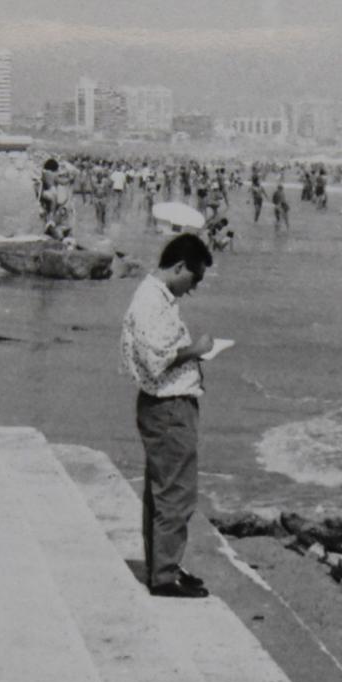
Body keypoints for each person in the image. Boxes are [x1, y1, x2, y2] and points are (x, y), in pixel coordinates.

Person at [121, 233, 219, 598]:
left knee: (164, 489)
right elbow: (157, 358)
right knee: (175, 491)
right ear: (179, 267)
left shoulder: (156, 297)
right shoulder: (151, 301)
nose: (192, 288)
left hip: (166, 404)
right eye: (194, 279)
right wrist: (197, 349)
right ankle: (164, 574)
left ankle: (165, 565)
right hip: (169, 406)